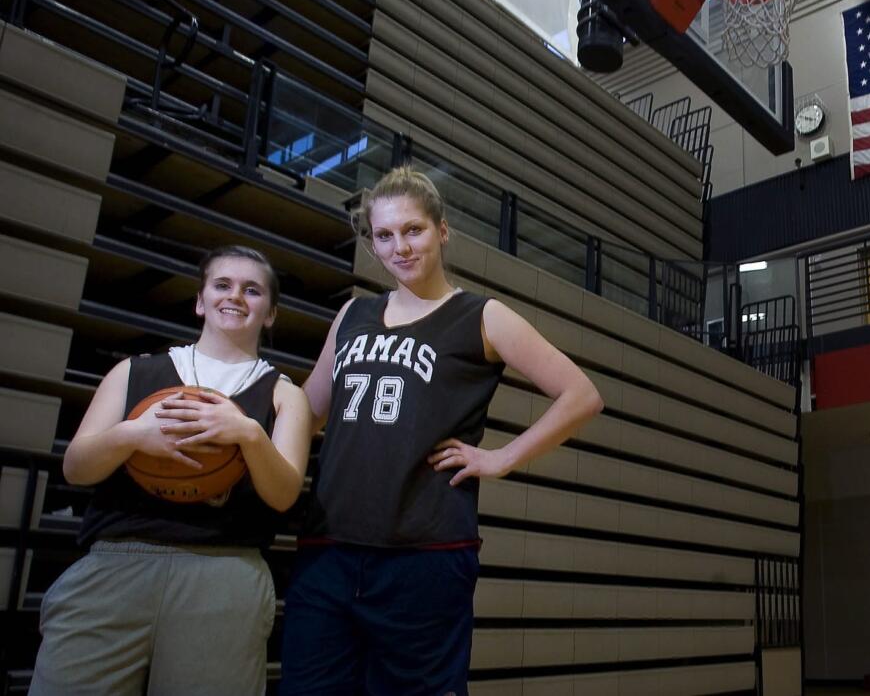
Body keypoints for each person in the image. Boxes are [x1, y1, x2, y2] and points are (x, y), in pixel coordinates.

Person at [280, 167, 603, 696]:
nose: (400, 247)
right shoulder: (352, 315)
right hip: (329, 548)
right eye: (384, 235)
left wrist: (500, 458)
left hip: (423, 554)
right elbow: (309, 410)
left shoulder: (481, 316)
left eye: (413, 230)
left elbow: (581, 395)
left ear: (442, 231)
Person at [31, 245, 313, 696]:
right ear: (201, 300)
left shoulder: (283, 395)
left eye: (252, 290)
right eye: (222, 285)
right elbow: (76, 468)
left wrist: (248, 434)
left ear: (271, 313)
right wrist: (132, 436)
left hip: (225, 570)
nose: (235, 296)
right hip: (117, 562)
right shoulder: (135, 372)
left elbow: (282, 496)